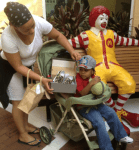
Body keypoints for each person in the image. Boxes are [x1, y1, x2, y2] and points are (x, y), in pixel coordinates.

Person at [0, 2, 81, 146]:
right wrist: (41, 79)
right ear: (14, 26)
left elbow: (57, 35)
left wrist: (72, 50)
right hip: (11, 69)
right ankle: (23, 134)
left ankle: (25, 126)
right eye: (26, 29)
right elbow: (18, 66)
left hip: (27, 66)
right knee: (18, 101)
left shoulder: (38, 22)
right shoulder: (8, 38)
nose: (32, 31)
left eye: (32, 26)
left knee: (27, 98)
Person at [68, 5, 139, 135]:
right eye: (101, 18)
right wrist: (56, 44)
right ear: (94, 19)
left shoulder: (112, 34)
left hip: (114, 66)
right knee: (99, 89)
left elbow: (126, 41)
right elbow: (68, 43)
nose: (104, 20)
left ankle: (118, 111)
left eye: (106, 17)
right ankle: (118, 114)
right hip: (97, 69)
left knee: (129, 83)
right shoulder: (85, 36)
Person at [75, 55, 133, 150]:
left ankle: (121, 136)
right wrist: (91, 83)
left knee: (111, 112)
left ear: (93, 71)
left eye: (86, 70)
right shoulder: (78, 78)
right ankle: (106, 148)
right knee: (99, 122)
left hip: (96, 103)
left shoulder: (94, 77)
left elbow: (98, 90)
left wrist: (100, 90)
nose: (82, 72)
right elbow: (82, 93)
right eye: (81, 69)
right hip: (84, 106)